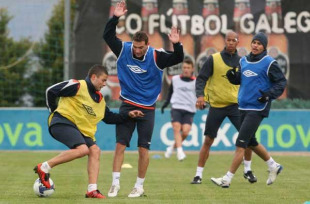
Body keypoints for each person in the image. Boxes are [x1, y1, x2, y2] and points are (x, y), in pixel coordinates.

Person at [103, 0, 184, 198]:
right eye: (135, 47)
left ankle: (139, 186)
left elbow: (178, 58)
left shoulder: (156, 56)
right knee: (120, 145)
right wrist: (115, 17)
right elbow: (107, 35)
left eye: (141, 48)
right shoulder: (124, 49)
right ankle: (115, 184)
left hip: (147, 108)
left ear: (147, 45)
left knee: (143, 149)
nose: (137, 51)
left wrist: (176, 43)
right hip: (127, 104)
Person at [33, 64, 144, 199]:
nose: (105, 84)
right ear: (93, 77)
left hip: (79, 130)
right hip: (62, 122)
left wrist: (129, 115)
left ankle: (92, 190)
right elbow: (51, 91)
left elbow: (109, 118)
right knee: (83, 150)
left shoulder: (100, 100)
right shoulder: (78, 85)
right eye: (103, 80)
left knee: (95, 150)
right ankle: (44, 167)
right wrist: (54, 112)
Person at [211, 32, 286, 188]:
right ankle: (273, 165)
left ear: (264, 46)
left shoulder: (269, 62)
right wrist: (233, 77)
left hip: (257, 108)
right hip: (243, 107)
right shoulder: (243, 60)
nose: (255, 45)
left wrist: (269, 95)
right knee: (251, 142)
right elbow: (241, 79)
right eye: (254, 42)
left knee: (241, 143)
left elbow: (281, 82)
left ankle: (227, 179)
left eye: (259, 43)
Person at [191, 31, 257, 185]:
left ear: (238, 42)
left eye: (234, 40)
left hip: (236, 106)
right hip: (217, 106)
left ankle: (247, 170)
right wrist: (200, 96)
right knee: (208, 140)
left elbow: (248, 82)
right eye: (228, 40)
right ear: (225, 41)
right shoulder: (213, 59)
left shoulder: (242, 61)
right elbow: (201, 78)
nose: (231, 43)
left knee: (247, 139)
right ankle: (198, 175)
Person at [161, 58, 196, 161]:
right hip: (176, 107)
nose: (186, 70)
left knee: (185, 132)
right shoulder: (175, 79)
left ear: (192, 69)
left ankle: (172, 147)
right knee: (176, 127)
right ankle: (180, 152)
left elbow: (200, 96)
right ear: (182, 68)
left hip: (189, 109)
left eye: (188, 68)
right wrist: (165, 105)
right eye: (184, 67)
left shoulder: (196, 82)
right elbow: (170, 93)